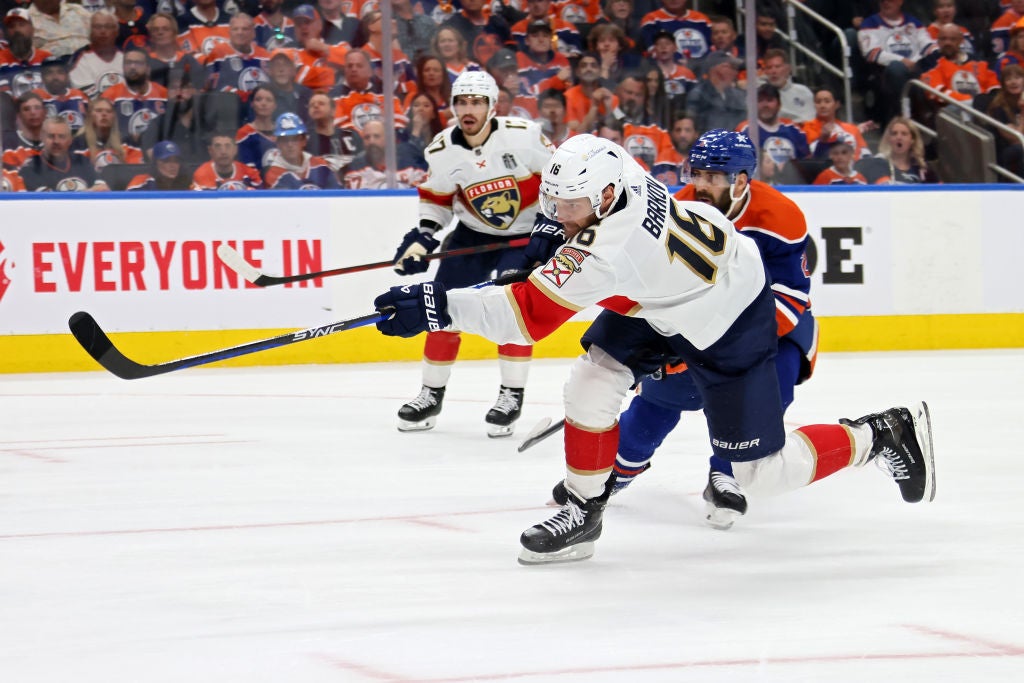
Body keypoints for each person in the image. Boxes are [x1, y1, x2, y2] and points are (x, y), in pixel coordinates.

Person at [371, 132, 936, 565]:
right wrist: (550, 231)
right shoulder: (620, 170)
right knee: (591, 380)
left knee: (761, 473)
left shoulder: (609, 251)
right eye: (558, 201)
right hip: (666, 294)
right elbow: (574, 184)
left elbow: (520, 317)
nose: (560, 213)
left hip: (729, 321)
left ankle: (880, 432)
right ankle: (583, 511)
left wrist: (435, 303)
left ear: (608, 196)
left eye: (570, 207)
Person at [561, 128, 815, 529]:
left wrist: (704, 350)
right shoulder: (677, 210)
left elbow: (790, 299)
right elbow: (655, 292)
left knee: (772, 387)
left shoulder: (779, 216)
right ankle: (619, 469)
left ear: (741, 181)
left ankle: (727, 473)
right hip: (693, 323)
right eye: (696, 173)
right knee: (658, 403)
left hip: (769, 331)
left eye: (712, 177)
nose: (700, 185)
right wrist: (665, 351)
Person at [387, 70, 557, 437]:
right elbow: (437, 200)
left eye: (477, 102)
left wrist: (550, 225)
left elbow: (559, 180)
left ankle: (511, 394)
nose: (469, 109)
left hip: (524, 237)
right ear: (452, 106)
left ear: (492, 106)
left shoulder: (523, 136)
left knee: (512, 311)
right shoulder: (442, 149)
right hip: (472, 236)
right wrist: (424, 236)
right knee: (438, 309)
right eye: (462, 101)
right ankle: (431, 394)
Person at [737, 82, 809, 186]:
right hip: (758, 188)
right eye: (760, 101)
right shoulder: (745, 130)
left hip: (793, 188)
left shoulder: (794, 130)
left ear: (779, 104)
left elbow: (805, 165)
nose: (765, 105)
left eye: (770, 100)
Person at [98, 44, 167, 146]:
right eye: (128, 63)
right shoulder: (110, 95)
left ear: (148, 68)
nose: (132, 67)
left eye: (138, 63)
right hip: (123, 152)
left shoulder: (163, 94)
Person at [21, 115, 108, 190]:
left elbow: (102, 189)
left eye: (61, 136)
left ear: (70, 140)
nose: (56, 141)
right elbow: (49, 201)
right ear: (42, 138)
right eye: (51, 136)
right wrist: (86, 193)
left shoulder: (82, 161)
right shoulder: (31, 167)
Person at [262, 111, 341, 189]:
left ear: (304, 141)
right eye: (285, 140)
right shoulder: (273, 175)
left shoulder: (321, 165)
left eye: (295, 139)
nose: (290, 145)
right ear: (278, 144)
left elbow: (338, 196)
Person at [341, 118, 426, 188]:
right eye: (367, 137)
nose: (371, 142)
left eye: (376, 136)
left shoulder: (410, 163)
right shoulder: (356, 168)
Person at [855, 115, 938, 184]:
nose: (898, 137)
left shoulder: (923, 169)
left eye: (904, 134)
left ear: (912, 140)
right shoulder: (878, 163)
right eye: (894, 134)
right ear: (889, 139)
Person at [803, 86, 873, 161]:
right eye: (818, 102)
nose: (822, 106)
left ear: (837, 104)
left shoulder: (851, 128)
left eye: (827, 101)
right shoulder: (806, 128)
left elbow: (864, 153)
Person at [684, 50, 747, 133]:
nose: (735, 72)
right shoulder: (699, 95)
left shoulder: (738, 96)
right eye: (731, 67)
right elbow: (692, 127)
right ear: (717, 70)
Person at [68, 10, 123, 98]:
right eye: (97, 27)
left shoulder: (127, 56)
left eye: (108, 27)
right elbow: (85, 95)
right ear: (90, 32)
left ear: (116, 32)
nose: (103, 31)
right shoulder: (80, 57)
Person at [0, 8, 53, 98]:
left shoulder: (47, 58)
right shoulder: (1, 59)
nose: (17, 30)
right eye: (12, 26)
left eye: (21, 25)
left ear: (32, 29)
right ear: (7, 32)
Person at [305, 90, 361, 175]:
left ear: (333, 110)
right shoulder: (305, 140)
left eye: (321, 103)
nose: (316, 106)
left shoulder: (351, 135)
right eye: (312, 105)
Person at [640, 0, 713, 64]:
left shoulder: (702, 20)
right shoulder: (652, 19)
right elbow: (653, 51)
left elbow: (712, 48)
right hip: (670, 68)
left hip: (704, 67)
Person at [986, 63, 1024, 177]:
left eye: (1017, 78)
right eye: (1009, 79)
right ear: (1003, 84)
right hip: (1007, 150)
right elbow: (1015, 139)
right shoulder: (998, 107)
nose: (1014, 82)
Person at [32, 55, 87, 132]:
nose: (55, 77)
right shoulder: (35, 97)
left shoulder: (79, 95)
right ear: (42, 77)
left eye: (60, 72)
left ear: (67, 76)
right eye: (49, 73)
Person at [191, 132, 264, 189]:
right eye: (218, 146)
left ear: (235, 150)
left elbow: (261, 200)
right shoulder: (201, 175)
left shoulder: (249, 174)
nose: (223, 152)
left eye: (228, 146)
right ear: (210, 150)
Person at [760, 48, 814, 124]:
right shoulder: (760, 93)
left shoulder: (803, 91)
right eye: (769, 67)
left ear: (788, 69)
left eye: (777, 66)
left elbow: (811, 120)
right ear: (765, 71)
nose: (773, 71)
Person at [236, 83, 279, 173]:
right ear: (252, 104)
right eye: (258, 100)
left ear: (275, 105)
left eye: (269, 100)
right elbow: (247, 170)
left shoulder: (283, 131)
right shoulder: (244, 134)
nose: (263, 103)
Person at [1, 91, 45, 169]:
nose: (33, 112)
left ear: (45, 112)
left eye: (37, 108)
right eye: (26, 109)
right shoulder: (7, 141)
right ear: (18, 116)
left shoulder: (56, 138)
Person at [125, 139, 193, 189]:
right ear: (156, 163)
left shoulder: (186, 184)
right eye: (166, 160)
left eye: (176, 161)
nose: (173, 165)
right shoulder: (142, 183)